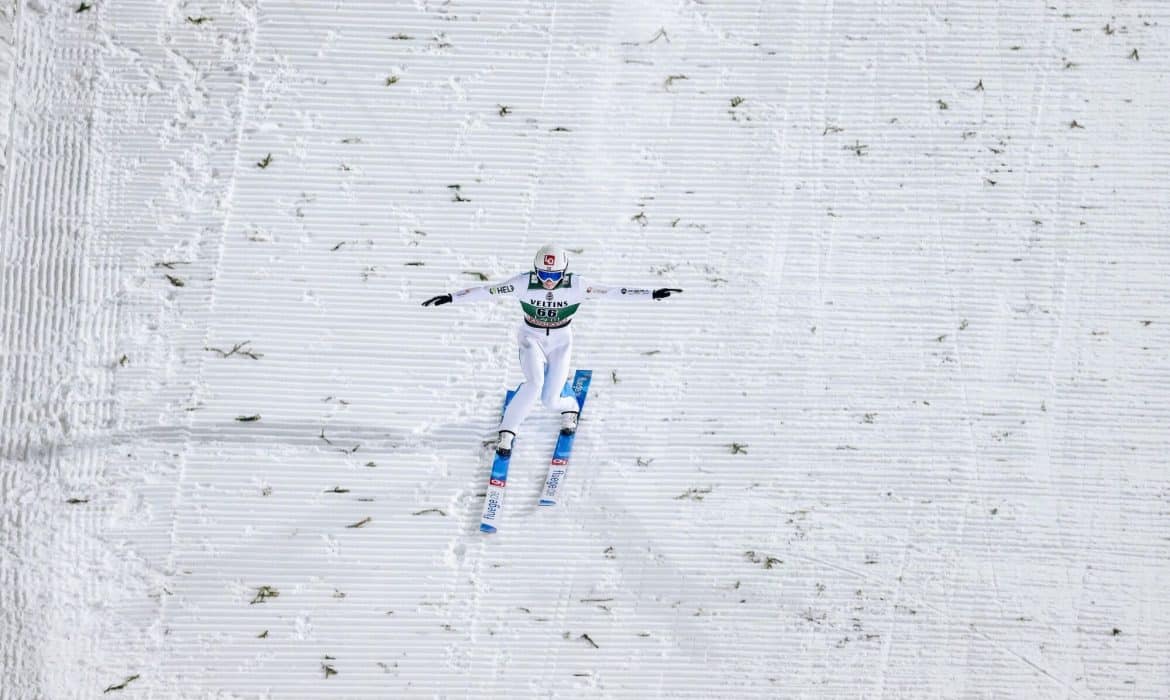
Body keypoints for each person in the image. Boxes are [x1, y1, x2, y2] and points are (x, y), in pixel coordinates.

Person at [422, 244, 682, 457]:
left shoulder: (577, 285)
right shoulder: (523, 283)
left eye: (554, 276)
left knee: (549, 400)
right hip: (531, 338)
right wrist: (452, 297)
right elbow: (487, 291)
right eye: (543, 275)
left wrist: (651, 294)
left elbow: (613, 292)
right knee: (534, 384)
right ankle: (508, 432)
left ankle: (569, 408)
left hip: (560, 342)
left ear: (564, 272)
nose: (548, 281)